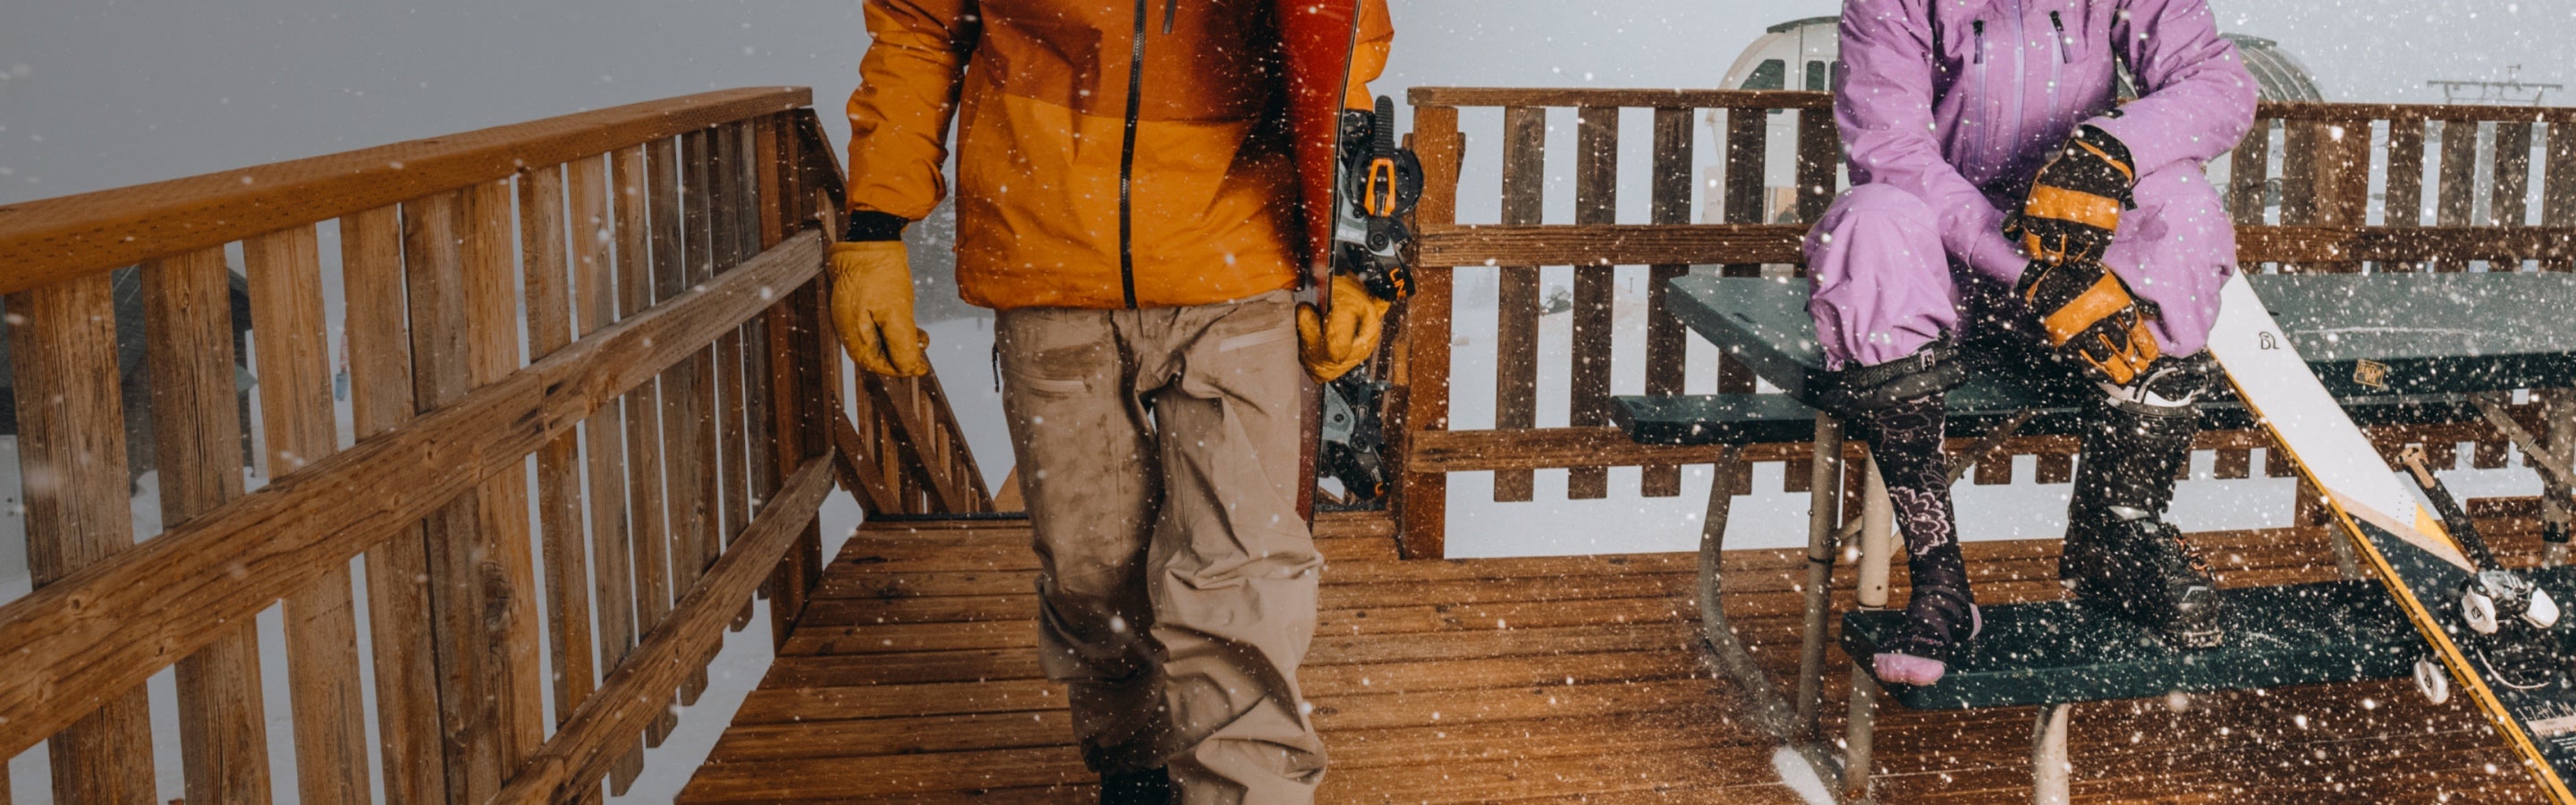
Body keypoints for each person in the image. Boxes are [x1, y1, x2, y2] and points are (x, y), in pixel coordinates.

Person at [828, 2, 1394, 802]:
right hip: (1046, 251)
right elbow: (917, 28)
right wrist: (875, 224)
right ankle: (1136, 757)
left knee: (1244, 572)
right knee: (1091, 569)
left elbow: (1336, 47)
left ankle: (1247, 788)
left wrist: (1354, 251)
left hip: (1238, 252)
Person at [1806, 0, 2257, 685]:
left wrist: (2112, 149)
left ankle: (2118, 528)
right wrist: (2030, 273)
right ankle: (1941, 580)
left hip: (2079, 255)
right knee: (1869, 225)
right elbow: (1891, 152)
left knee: (2185, 209)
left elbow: (2219, 85)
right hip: (1950, 269)